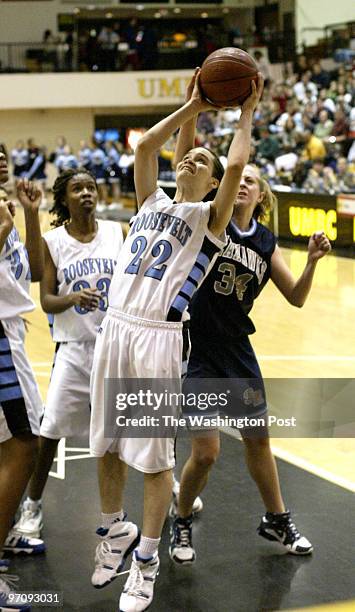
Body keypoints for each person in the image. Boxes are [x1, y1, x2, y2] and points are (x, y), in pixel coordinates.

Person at [89, 70, 264, 611]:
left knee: (154, 458)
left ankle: (145, 560)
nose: (192, 159)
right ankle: (113, 528)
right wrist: (192, 105)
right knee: (104, 443)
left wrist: (245, 112)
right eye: (188, 156)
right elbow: (145, 145)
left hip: (158, 338)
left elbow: (235, 165)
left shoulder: (209, 220)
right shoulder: (150, 203)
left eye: (202, 162)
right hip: (114, 327)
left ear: (214, 185)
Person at [168, 100, 331, 565]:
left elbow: (296, 297)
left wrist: (312, 264)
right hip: (197, 347)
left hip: (238, 350)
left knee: (259, 440)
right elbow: (192, 162)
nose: (241, 184)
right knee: (208, 452)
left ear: (261, 195)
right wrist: (193, 110)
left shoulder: (264, 241)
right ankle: (181, 519)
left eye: (251, 182)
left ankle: (276, 518)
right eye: (237, 179)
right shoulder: (208, 220)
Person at [13, 168, 125, 541]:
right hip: (74, 350)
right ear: (64, 199)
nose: (87, 193)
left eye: (91, 187)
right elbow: (45, 299)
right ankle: (33, 504)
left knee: (135, 429)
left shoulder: (115, 232)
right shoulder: (52, 241)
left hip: (114, 346)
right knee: (50, 432)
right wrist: (73, 297)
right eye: (78, 189)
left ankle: (168, 486)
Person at [0, 154, 45, 610]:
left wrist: (29, 215)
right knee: (24, 445)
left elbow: (30, 272)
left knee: (10, 449)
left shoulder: (7, 207)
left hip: (12, 334)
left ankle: (7, 528)